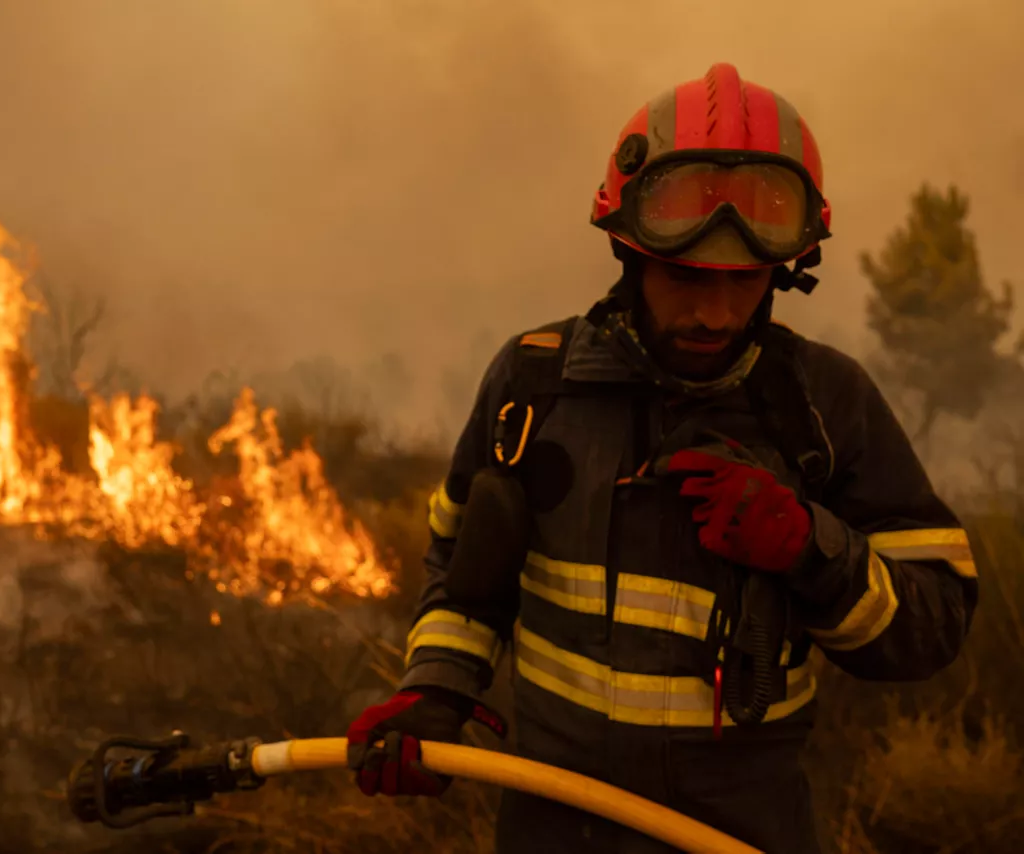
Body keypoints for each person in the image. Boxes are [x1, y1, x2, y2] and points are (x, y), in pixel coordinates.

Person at [345, 62, 979, 853]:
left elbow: (933, 626)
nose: (714, 312)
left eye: (744, 280)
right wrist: (435, 688)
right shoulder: (531, 385)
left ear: (784, 270)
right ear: (628, 250)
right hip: (552, 821)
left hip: (741, 829)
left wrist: (813, 551)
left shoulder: (826, 406)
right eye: (684, 276)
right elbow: (458, 569)